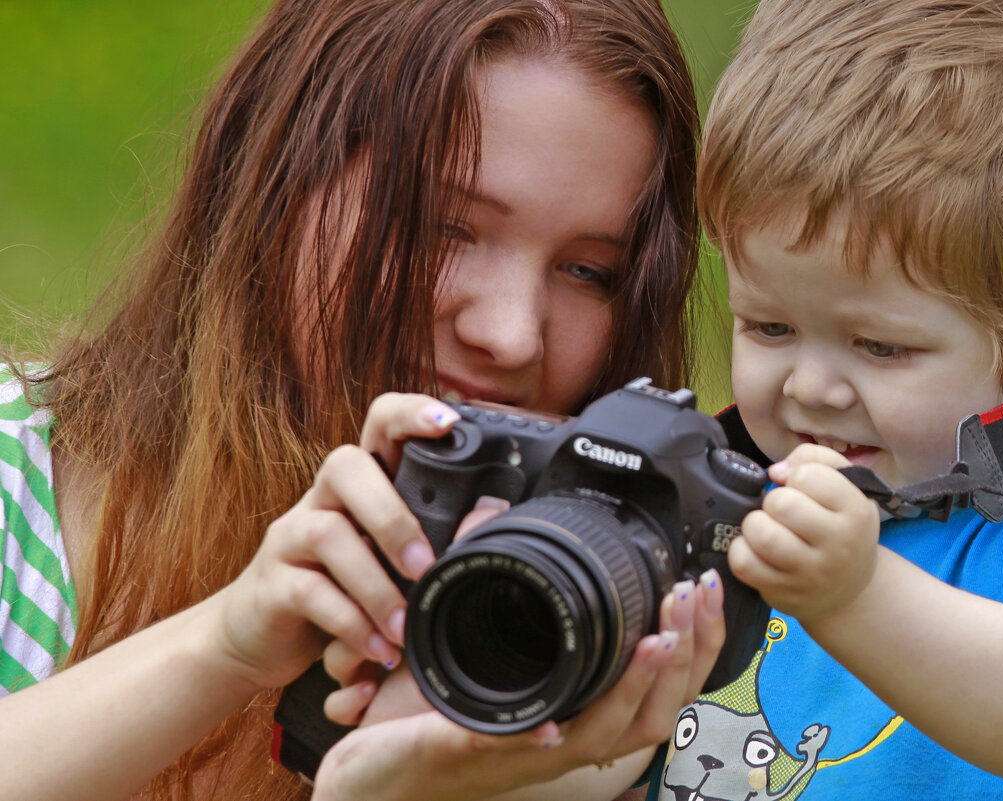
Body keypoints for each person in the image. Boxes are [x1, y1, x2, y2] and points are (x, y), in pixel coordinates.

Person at [0, 1, 728, 800]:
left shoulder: (634, 673)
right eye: (447, 226)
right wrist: (226, 644)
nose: (515, 334)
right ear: (273, 179)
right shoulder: (15, 481)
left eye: (589, 272)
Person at [631, 0, 1003, 799]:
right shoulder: (700, 510)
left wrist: (855, 593)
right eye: (770, 325)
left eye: (881, 346)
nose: (809, 388)